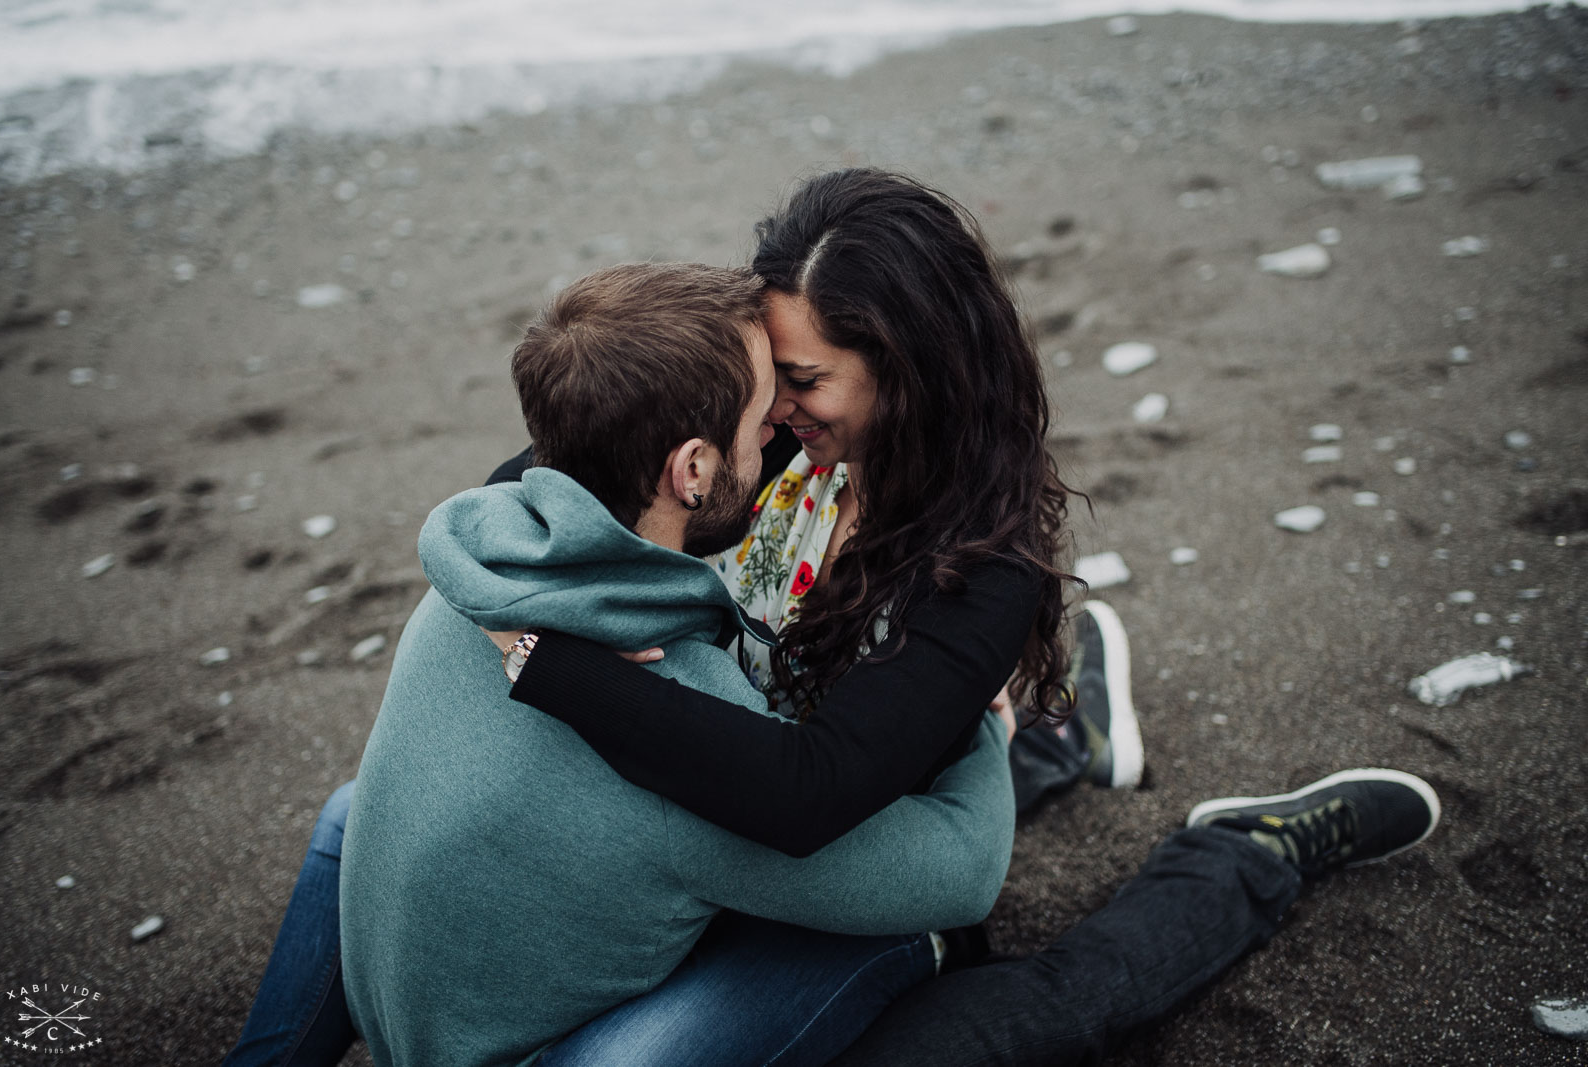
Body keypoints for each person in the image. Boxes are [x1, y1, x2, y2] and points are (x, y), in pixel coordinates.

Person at [226, 169, 1441, 1067]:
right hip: (741, 800)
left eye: (801, 381)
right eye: (769, 374)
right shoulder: (729, 454)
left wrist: (553, 662)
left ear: (902, 368)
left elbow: (876, 829)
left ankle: (1242, 850)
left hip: (822, 815)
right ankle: (1064, 735)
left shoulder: (978, 565)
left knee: (1013, 1020)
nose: (782, 408)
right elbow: (566, 471)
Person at [342, 260, 1015, 1067]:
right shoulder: (699, 736)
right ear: (692, 469)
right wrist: (979, 723)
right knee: (899, 928)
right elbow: (961, 872)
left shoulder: (471, 580)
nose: (778, 434)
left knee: (343, 817)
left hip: (403, 1022)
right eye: (763, 410)